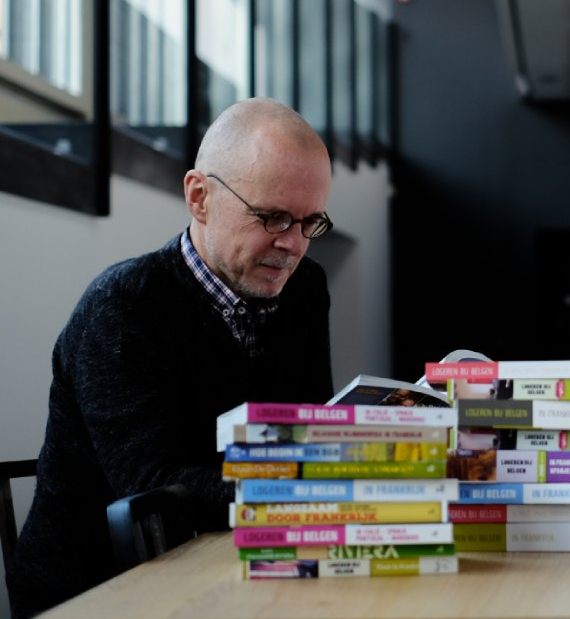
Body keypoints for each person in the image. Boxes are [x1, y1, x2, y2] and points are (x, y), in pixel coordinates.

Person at [8, 98, 336, 618]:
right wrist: (322, 481)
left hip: (236, 561)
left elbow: (307, 430)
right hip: (97, 592)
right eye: (272, 217)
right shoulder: (121, 308)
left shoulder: (304, 289)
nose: (292, 245)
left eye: (310, 222)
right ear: (200, 197)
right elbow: (157, 494)